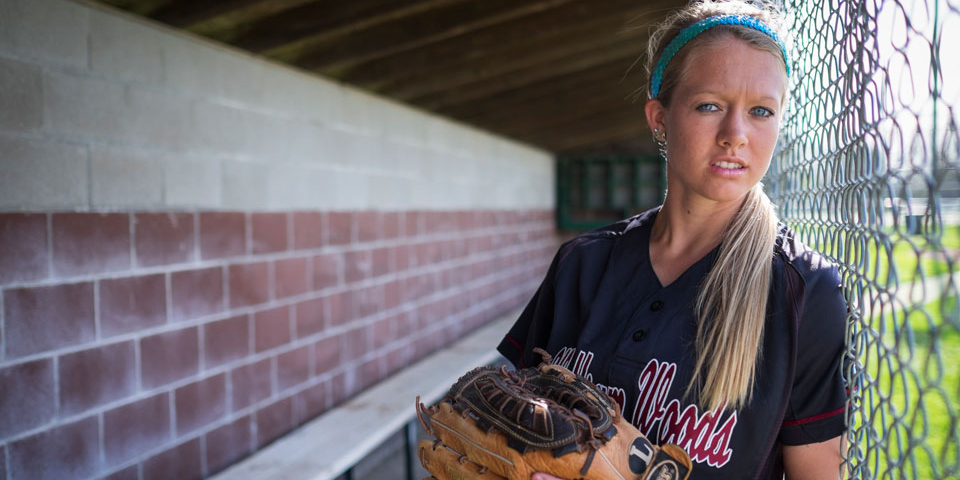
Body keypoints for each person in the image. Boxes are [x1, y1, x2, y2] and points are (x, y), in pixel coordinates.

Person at [496, 1, 848, 479]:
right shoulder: (583, 262)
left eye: (761, 111)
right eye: (710, 105)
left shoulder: (803, 290)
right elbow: (508, 427)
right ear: (659, 118)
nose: (736, 135)